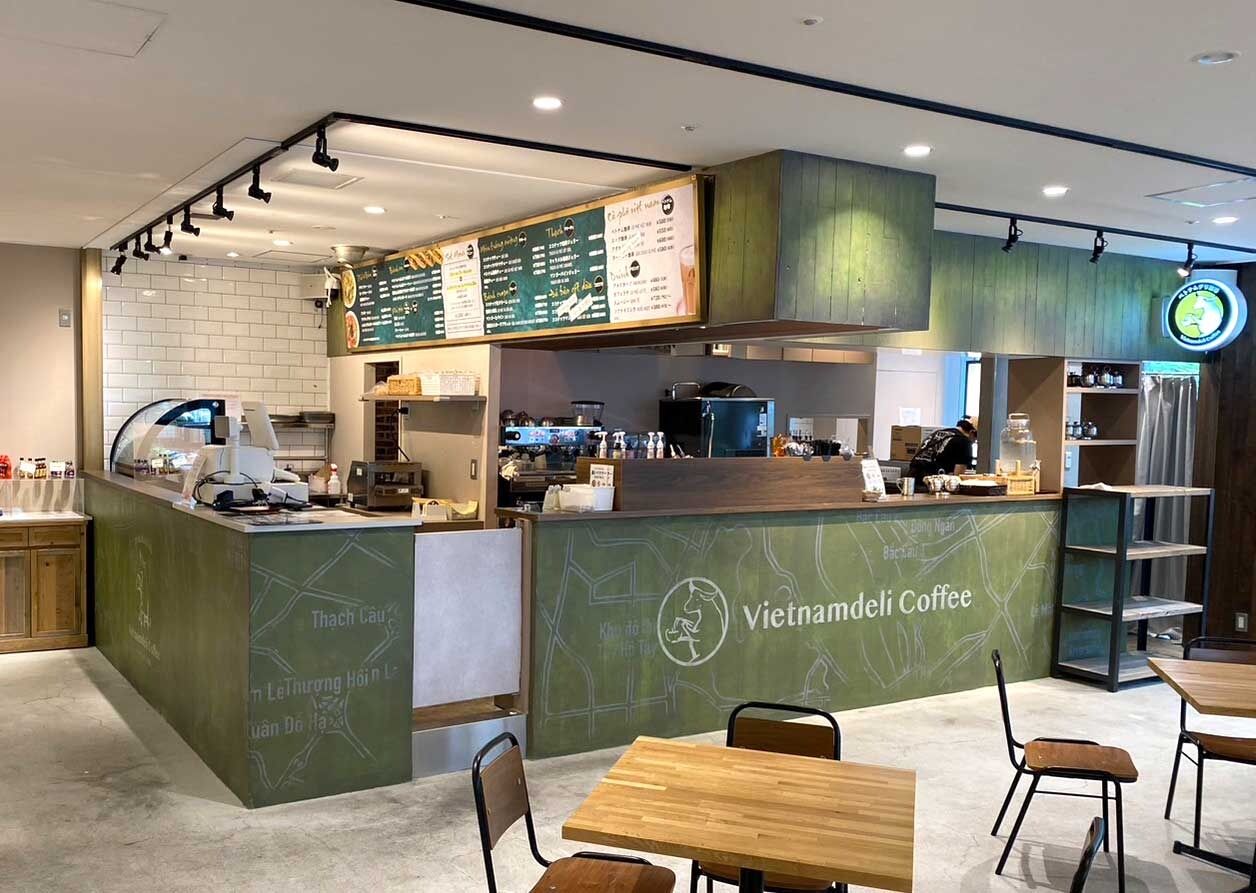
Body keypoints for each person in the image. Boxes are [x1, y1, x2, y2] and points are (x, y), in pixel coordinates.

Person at [908, 418, 978, 484]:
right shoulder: (964, 442)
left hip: (911, 479)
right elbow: (958, 478)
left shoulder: (937, 433)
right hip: (933, 484)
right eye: (976, 439)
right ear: (972, 432)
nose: (974, 442)